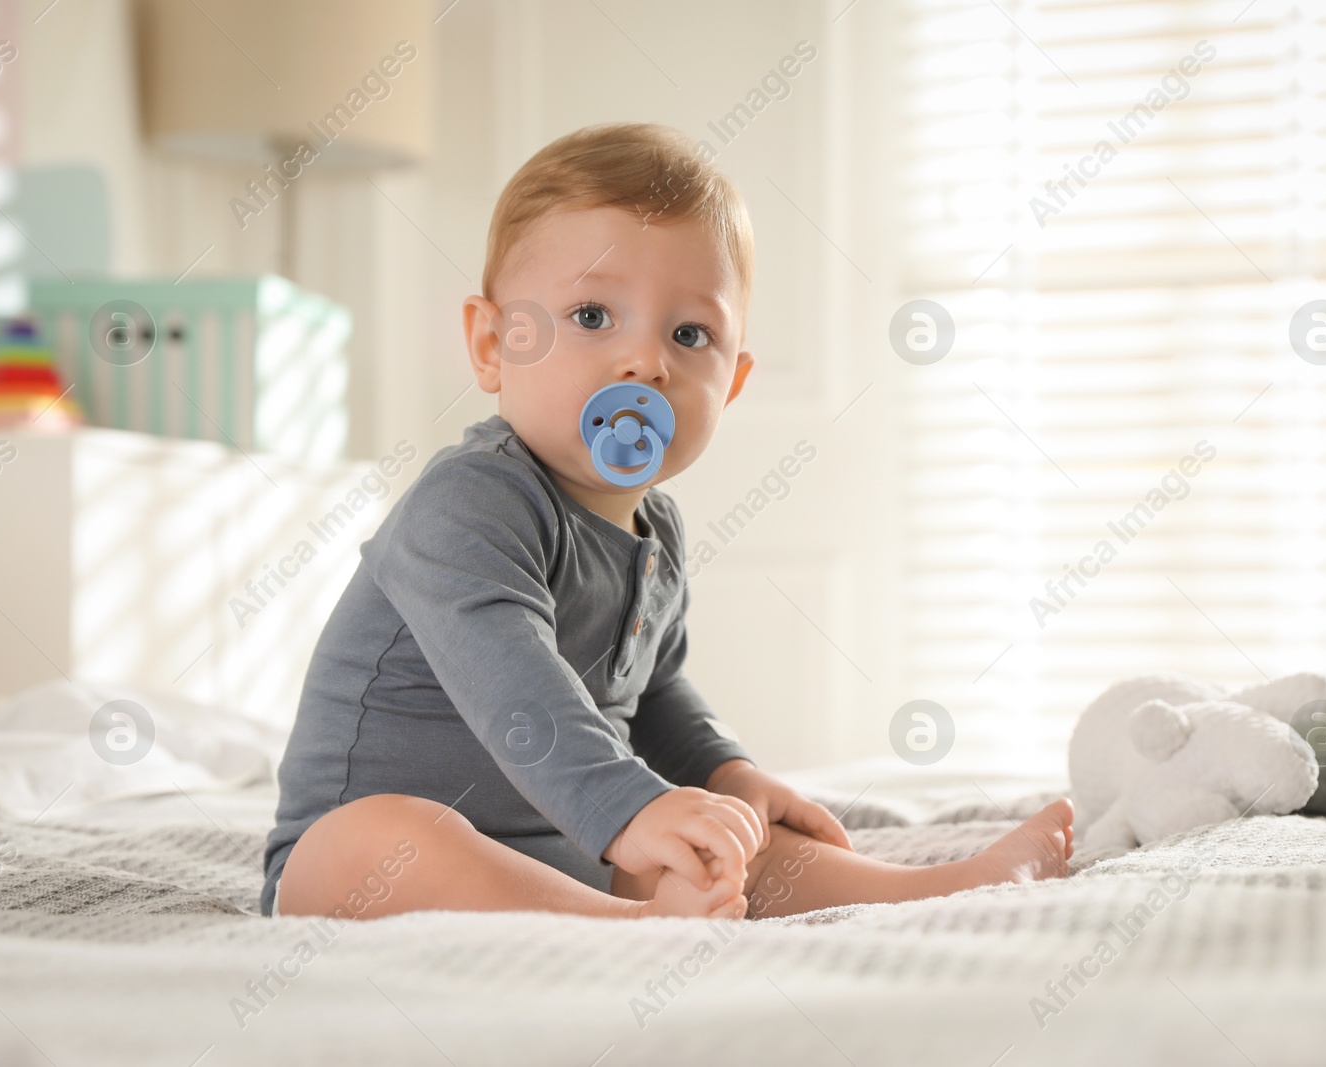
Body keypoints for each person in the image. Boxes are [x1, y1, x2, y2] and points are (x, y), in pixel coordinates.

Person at [261, 122, 1074, 923]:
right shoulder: (468, 503)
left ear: (734, 381)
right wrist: (632, 805)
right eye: (591, 316)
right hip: (361, 867)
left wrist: (724, 772)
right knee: (384, 836)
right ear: (491, 343)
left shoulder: (658, 535)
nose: (647, 363)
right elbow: (516, 688)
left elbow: (653, 693)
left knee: (728, 845)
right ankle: (626, 931)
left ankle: (938, 891)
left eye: (690, 334)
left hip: (566, 848)